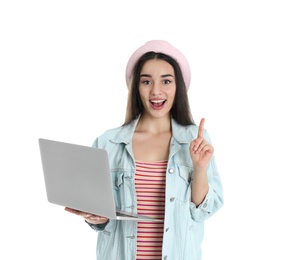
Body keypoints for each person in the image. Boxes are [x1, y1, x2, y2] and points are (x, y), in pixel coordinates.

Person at [65, 40, 224, 260]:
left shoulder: (195, 140)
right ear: (136, 88)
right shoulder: (107, 143)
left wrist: (199, 168)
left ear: (177, 86)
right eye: (146, 81)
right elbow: (102, 218)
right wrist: (95, 217)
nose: (156, 91)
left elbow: (202, 211)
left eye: (166, 81)